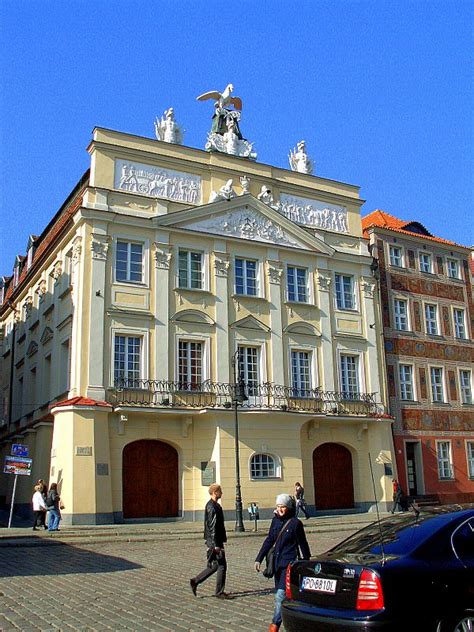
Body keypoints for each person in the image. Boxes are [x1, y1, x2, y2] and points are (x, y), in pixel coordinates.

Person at [255, 494, 311, 632]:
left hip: (289, 564)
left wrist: (306, 562)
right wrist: (259, 558)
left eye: (282, 507)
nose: (279, 509)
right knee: (284, 596)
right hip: (277, 565)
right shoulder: (275, 521)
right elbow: (269, 540)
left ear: (289, 507)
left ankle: (274, 625)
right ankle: (293, 620)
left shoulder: (295, 523)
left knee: (280, 595)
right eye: (278, 506)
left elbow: (303, 544)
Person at [190, 484, 232, 599]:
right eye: (220, 491)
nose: (221, 493)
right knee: (222, 565)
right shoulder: (212, 507)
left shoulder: (215, 505)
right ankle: (219, 592)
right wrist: (216, 545)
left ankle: (195, 581)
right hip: (214, 541)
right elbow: (212, 527)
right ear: (215, 492)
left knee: (214, 565)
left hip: (214, 540)